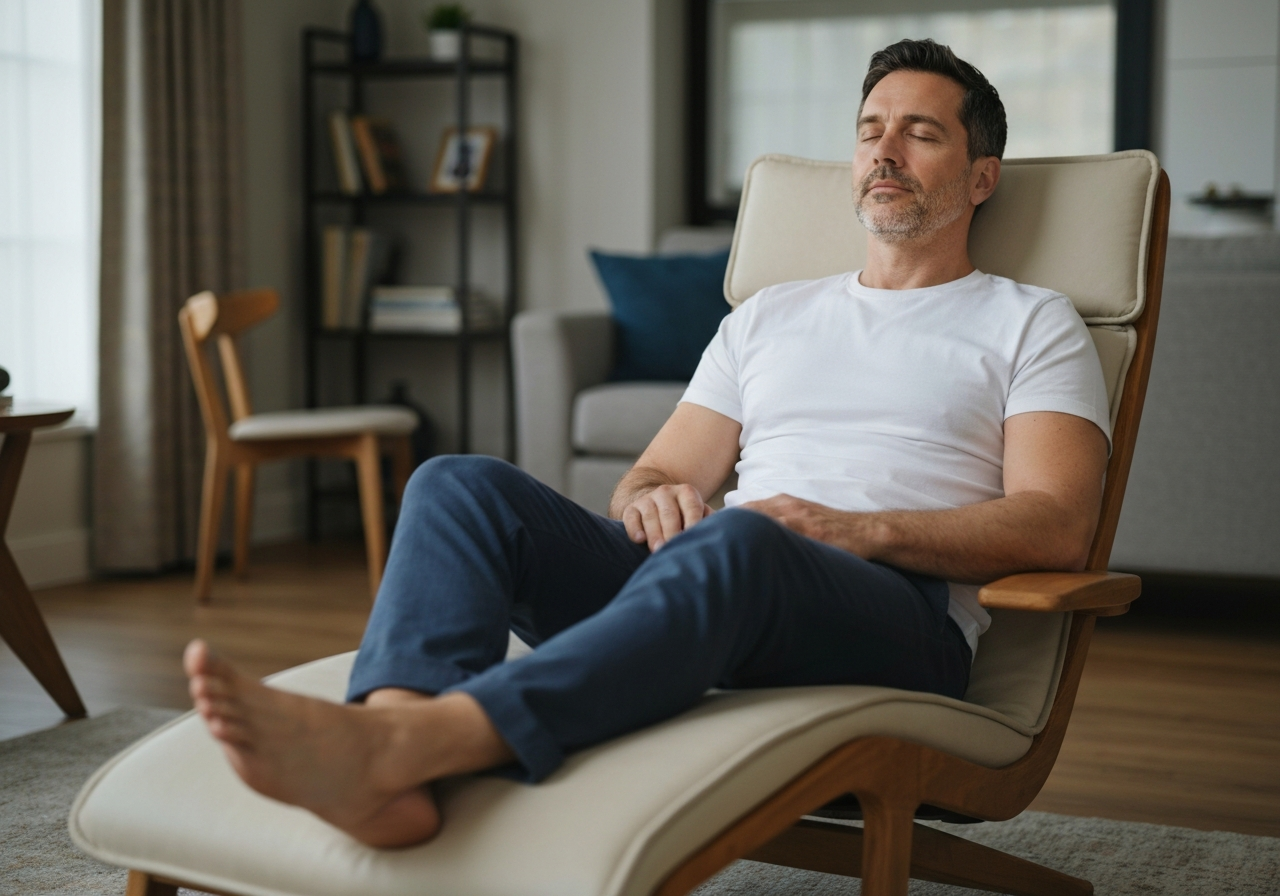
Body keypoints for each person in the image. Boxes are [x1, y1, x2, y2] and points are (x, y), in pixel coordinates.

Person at [185, 38, 1111, 849]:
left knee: (743, 538)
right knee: (458, 483)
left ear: (981, 176)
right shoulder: (771, 314)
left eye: (921, 132)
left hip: (894, 617)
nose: (884, 151)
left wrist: (853, 532)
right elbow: (660, 471)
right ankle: (392, 755)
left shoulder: (1030, 321)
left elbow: (1056, 525)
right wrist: (648, 499)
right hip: (721, 575)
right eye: (871, 128)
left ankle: (422, 744)